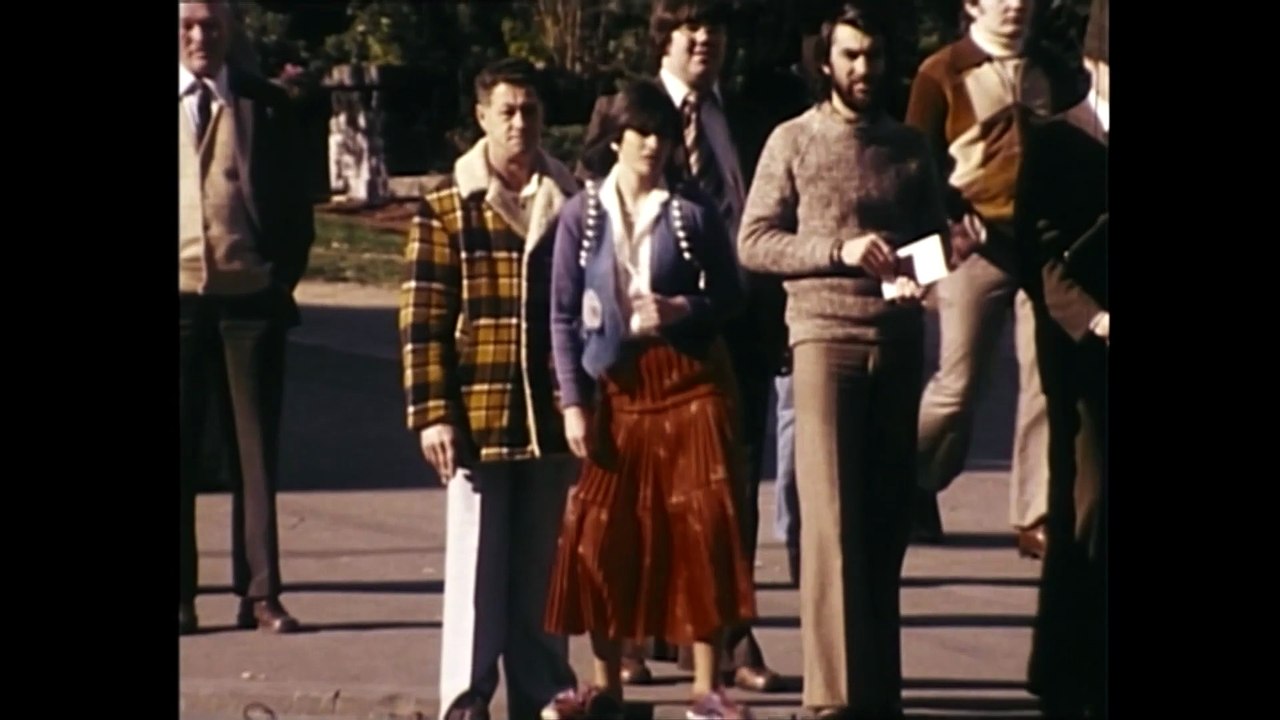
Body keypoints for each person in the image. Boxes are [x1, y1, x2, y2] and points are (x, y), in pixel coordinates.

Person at [737, 2, 949, 716]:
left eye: (876, 57)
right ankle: (831, 700)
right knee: (828, 526)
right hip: (823, 341)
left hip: (897, 340)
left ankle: (879, 696)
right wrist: (838, 250)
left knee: (886, 523)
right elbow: (755, 241)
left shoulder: (910, 146)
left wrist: (935, 262)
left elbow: (930, 247)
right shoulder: (793, 140)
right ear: (825, 60)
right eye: (851, 56)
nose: (865, 70)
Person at [577, 0, 787, 690]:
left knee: (730, 492)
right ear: (663, 37)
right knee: (642, 494)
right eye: (690, 26)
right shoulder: (630, 114)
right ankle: (634, 635)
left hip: (738, 326)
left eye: (717, 26)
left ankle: (732, 636)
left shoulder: (749, 118)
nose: (706, 39)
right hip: (643, 342)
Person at [541, 78, 757, 720]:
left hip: (690, 384)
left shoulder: (691, 212)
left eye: (663, 134)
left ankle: (705, 690)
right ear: (617, 138)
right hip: (617, 387)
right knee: (602, 537)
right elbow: (558, 315)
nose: (655, 145)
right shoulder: (582, 215)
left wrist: (682, 307)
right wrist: (573, 402)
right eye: (643, 133)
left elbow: (732, 294)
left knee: (701, 535)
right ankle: (605, 685)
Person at [398, 57, 581, 720]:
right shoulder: (449, 207)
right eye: (506, 111)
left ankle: (543, 694)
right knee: (476, 571)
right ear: (481, 118)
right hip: (476, 413)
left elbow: (590, 309)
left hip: (551, 416)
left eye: (530, 111)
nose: (519, 124)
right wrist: (433, 414)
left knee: (543, 573)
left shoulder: (572, 204)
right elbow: (422, 321)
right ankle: (466, 700)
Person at [179, 0, 314, 636]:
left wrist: (276, 278)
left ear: (230, 30)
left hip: (249, 302)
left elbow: (295, 206)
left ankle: (261, 594)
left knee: (255, 455)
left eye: (211, 24)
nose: (201, 36)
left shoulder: (264, 104)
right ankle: (180, 597)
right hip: (178, 301)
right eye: (187, 26)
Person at [905, 0, 1053, 558]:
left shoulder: (1053, 70)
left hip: (1042, 248)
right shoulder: (941, 72)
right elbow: (913, 165)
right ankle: (905, 476)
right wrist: (929, 249)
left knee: (1044, 382)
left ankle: (1035, 515)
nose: (1015, 6)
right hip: (973, 248)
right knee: (956, 387)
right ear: (972, 5)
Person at [1015, 0, 1108, 715]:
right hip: (1082, 348)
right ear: (1099, 66)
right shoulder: (1056, 139)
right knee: (1086, 503)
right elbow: (1040, 257)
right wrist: (1096, 318)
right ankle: (1065, 673)